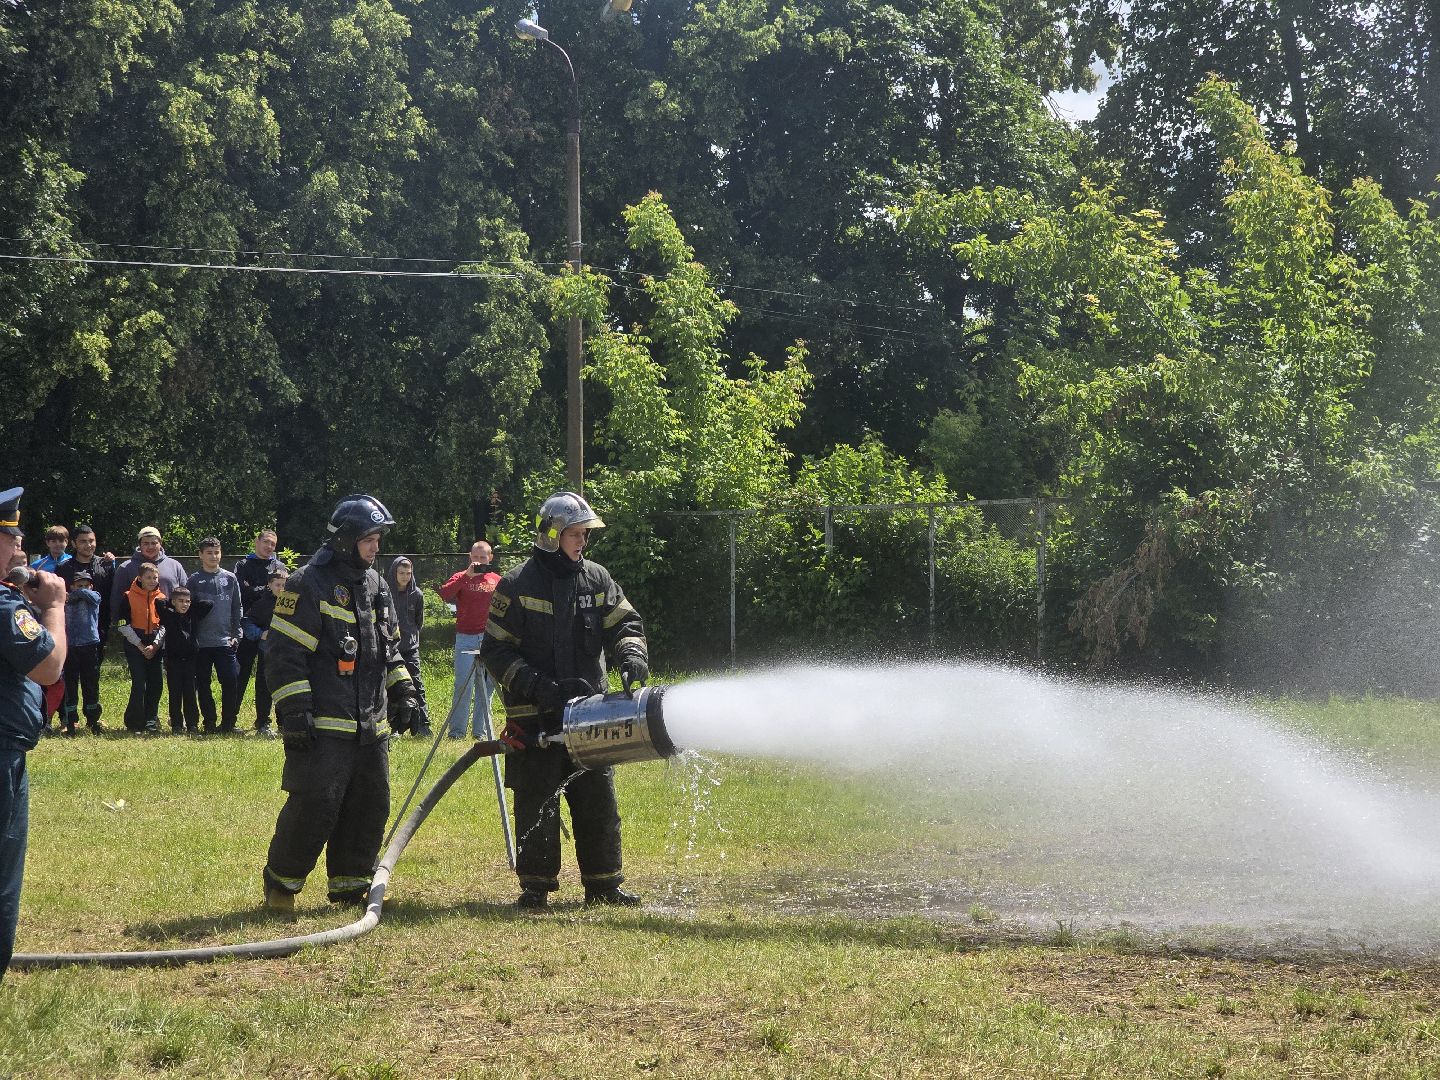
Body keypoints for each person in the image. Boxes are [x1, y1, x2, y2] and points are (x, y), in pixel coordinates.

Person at [480, 491, 650, 910]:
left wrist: (631, 655)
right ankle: (536, 886)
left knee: (598, 800)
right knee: (537, 801)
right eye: (576, 534)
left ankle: (604, 884)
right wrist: (538, 686)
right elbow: (495, 651)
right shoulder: (517, 584)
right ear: (552, 535)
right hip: (534, 715)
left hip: (589, 714)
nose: (582, 542)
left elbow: (625, 622)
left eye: (585, 535)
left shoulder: (596, 578)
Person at [261, 494, 416, 911]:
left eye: (379, 539)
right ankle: (281, 887)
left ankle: (350, 888)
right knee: (315, 804)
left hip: (371, 727)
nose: (376, 547)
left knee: (370, 806)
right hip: (326, 725)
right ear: (346, 539)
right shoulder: (307, 583)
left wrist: (402, 690)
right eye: (370, 539)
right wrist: (294, 712)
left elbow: (391, 649)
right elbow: (283, 654)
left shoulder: (377, 584)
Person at [0, 487, 66, 980]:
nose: (20, 549)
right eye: (12, 537)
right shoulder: (5, 608)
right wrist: (55, 606)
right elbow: (48, 667)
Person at [438, 541, 501, 739]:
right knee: (463, 685)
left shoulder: (497, 580)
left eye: (483, 557)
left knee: (487, 687)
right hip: (465, 638)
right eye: (476, 557)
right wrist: (466, 576)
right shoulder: (460, 576)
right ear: (470, 556)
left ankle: (480, 732)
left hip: (490, 639)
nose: (479, 561)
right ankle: (457, 732)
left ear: (490, 558)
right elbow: (445, 594)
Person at [187, 538, 242, 734]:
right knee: (202, 683)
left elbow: (237, 608)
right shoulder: (193, 580)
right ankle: (209, 722)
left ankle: (228, 723)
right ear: (200, 555)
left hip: (225, 641)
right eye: (209, 553)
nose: (214, 556)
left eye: (217, 552)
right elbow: (188, 611)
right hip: (201, 643)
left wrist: (237, 634)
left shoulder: (230, 578)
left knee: (230, 680)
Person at [235, 530, 283, 736]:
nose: (269, 547)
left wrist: (254, 588)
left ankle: (263, 722)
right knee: (240, 675)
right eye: (266, 542)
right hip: (247, 627)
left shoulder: (279, 567)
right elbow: (241, 591)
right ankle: (230, 719)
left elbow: (282, 593)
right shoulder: (243, 565)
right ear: (257, 542)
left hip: (271, 631)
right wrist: (263, 589)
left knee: (266, 678)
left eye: (273, 544)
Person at [385, 557, 432, 737]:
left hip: (410, 648)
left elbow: (418, 622)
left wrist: (411, 638)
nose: (405, 577)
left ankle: (423, 724)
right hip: (390, 649)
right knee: (391, 689)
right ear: (394, 573)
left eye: (408, 573)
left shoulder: (417, 594)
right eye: (401, 573)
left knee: (417, 686)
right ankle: (394, 727)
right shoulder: (385, 592)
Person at [117, 562, 166, 733]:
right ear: (140, 578)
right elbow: (122, 624)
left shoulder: (162, 598)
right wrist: (140, 645)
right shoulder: (128, 596)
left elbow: (165, 625)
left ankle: (151, 720)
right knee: (139, 683)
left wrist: (154, 645)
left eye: (155, 577)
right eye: (148, 577)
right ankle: (134, 721)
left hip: (155, 645)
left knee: (156, 683)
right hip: (134, 644)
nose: (152, 581)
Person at [157, 586, 211, 735]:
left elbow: (208, 604)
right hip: (173, 661)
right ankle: (176, 725)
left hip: (191, 661)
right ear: (173, 602)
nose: (184, 604)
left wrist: (191, 603)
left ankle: (192, 723)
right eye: (180, 601)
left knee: (190, 694)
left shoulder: (193, 615)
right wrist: (171, 604)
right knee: (175, 694)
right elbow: (158, 602)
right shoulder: (168, 615)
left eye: (187, 601)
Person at [58, 526, 116, 659]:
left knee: (93, 671)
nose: (88, 545)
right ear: (74, 543)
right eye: (83, 541)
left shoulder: (105, 565)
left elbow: (112, 594)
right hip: (71, 628)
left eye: (91, 541)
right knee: (70, 673)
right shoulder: (64, 568)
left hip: (99, 625)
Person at [60, 570, 103, 736]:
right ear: (71, 586)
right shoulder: (66, 599)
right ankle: (71, 720)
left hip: (89, 644)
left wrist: (79, 592)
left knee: (90, 684)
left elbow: (92, 597)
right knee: (70, 684)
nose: (83, 588)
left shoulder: (94, 596)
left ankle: (92, 719)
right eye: (79, 585)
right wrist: (68, 596)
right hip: (70, 646)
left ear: (91, 586)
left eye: (86, 585)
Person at [111, 526, 187, 613]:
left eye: (154, 543)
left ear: (160, 543)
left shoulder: (175, 566)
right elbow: (116, 600)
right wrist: (120, 624)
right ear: (140, 545)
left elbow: (185, 595)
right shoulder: (125, 568)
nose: (150, 547)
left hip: (171, 624)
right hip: (136, 625)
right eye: (146, 543)